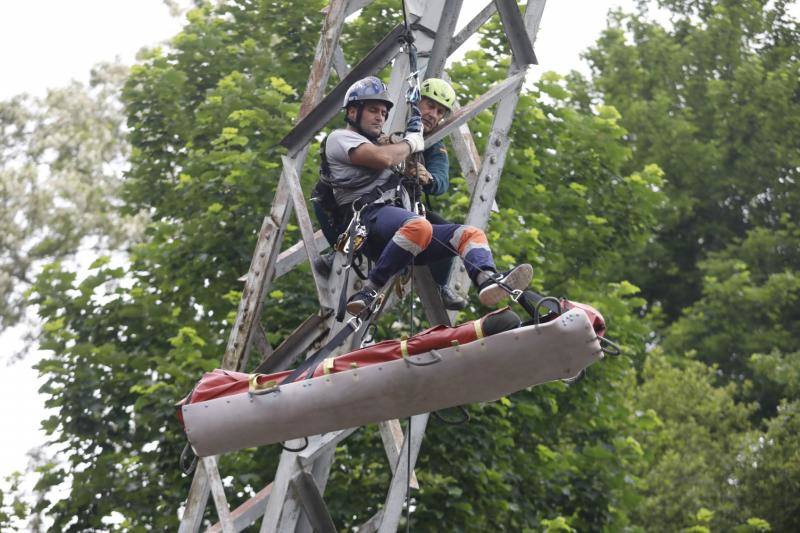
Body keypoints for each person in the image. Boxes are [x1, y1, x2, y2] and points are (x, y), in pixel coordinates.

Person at [323, 76, 533, 316]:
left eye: (383, 112)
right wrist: (411, 143)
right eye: (373, 111)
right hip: (369, 220)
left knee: (469, 234)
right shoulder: (342, 138)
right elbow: (385, 158)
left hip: (400, 217)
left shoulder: (428, 144)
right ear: (352, 112)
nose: (380, 117)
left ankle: (487, 279)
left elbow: (439, 179)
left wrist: (426, 176)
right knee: (420, 226)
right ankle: (370, 289)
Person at [313, 78, 465, 309]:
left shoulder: (434, 144)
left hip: (403, 202)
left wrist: (428, 178)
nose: (433, 114)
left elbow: (441, 180)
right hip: (371, 202)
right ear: (416, 104)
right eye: (429, 106)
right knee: (324, 194)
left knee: (443, 231)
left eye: (440, 111)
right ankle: (339, 249)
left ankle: (441, 286)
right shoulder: (384, 122)